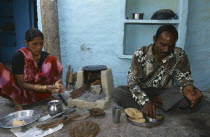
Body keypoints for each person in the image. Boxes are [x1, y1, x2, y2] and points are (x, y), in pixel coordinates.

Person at [113, 25, 203, 118]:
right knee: (118, 93)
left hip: (165, 92)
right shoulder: (141, 53)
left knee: (194, 96)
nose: (166, 50)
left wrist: (187, 88)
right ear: (154, 39)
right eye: (163, 44)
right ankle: (155, 106)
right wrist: (144, 101)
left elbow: (184, 77)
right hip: (144, 91)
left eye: (171, 46)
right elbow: (133, 82)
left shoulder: (179, 54)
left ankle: (153, 105)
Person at [0, 28, 64, 111]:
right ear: (27, 43)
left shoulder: (45, 57)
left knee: (51, 60)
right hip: (20, 91)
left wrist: (54, 85)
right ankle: (17, 103)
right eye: (35, 44)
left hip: (38, 90)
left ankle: (44, 96)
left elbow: (48, 77)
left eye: (41, 43)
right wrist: (44, 88)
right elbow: (21, 84)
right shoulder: (19, 56)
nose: (39, 47)